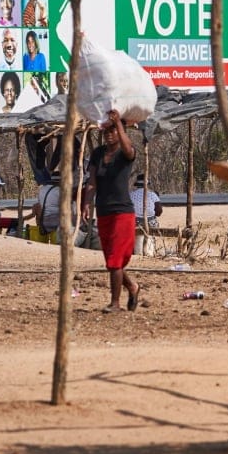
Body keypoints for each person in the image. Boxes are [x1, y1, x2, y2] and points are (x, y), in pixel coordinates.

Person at [83, 110, 139, 313]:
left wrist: (120, 124)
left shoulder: (126, 152)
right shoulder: (98, 154)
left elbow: (129, 150)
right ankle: (132, 287)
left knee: (115, 260)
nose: (109, 134)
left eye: (113, 130)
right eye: (107, 130)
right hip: (104, 211)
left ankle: (115, 303)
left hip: (122, 213)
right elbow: (91, 182)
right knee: (111, 261)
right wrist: (87, 203)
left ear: (121, 131)